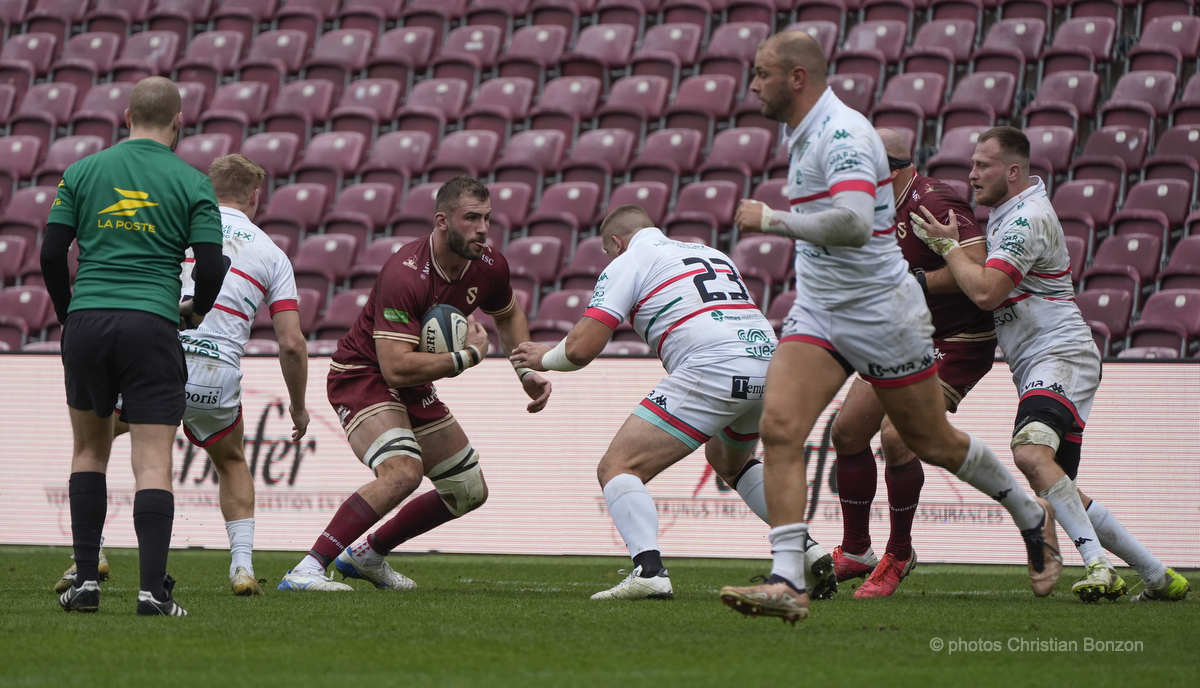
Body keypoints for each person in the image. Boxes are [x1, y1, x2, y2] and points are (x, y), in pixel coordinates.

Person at [715, 32, 1061, 625]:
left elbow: (851, 224)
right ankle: (789, 580)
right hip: (823, 309)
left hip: (884, 313)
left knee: (927, 441)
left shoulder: (844, 135)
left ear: (796, 78)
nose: (752, 85)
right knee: (780, 427)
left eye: (761, 74)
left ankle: (1028, 516)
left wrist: (770, 218)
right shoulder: (803, 131)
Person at [908, 126, 1191, 603]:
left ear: (1013, 171)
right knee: (1063, 489)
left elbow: (984, 292)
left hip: (1060, 354)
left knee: (1029, 453)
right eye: (973, 164)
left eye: (983, 165)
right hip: (1043, 359)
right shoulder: (1006, 213)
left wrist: (949, 249)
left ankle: (1099, 568)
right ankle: (1161, 576)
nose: (971, 174)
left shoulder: (1026, 219)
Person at [510, 205, 838, 601]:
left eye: (608, 251)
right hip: (771, 364)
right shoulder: (712, 254)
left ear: (616, 242)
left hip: (714, 365)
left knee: (619, 467)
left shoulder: (629, 259)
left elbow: (581, 349)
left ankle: (649, 572)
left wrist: (541, 358)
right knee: (730, 461)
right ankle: (806, 550)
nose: (610, 258)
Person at [51, 154, 311, 597]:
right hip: (217, 372)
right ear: (254, 196)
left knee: (95, 444)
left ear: (207, 192)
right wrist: (299, 406)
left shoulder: (175, 231)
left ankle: (90, 554)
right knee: (231, 461)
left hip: (160, 354)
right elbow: (291, 343)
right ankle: (242, 568)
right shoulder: (272, 252)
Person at [278, 176, 553, 592]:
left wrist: (526, 371)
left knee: (467, 489)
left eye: (487, 219)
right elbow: (394, 369)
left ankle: (367, 555)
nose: (482, 228)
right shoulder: (405, 273)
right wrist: (467, 358)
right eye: (471, 219)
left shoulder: (490, 264)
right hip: (363, 374)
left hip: (412, 378)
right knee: (403, 472)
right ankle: (308, 568)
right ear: (442, 221)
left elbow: (509, 314)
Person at [41, 76, 228, 617]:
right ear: (178, 123)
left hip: (88, 320)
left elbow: (52, 254)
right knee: (152, 462)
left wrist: (68, 314)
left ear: (126, 117)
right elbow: (212, 266)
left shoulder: (80, 172)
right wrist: (193, 311)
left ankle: (86, 585)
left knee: (89, 452)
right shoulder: (193, 182)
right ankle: (151, 592)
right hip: (152, 322)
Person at [827, 129, 997, 598]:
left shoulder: (935, 203)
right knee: (846, 433)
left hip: (959, 341)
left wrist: (912, 281)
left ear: (892, 168)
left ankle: (899, 554)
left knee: (898, 438)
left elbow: (978, 271)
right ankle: (857, 549)